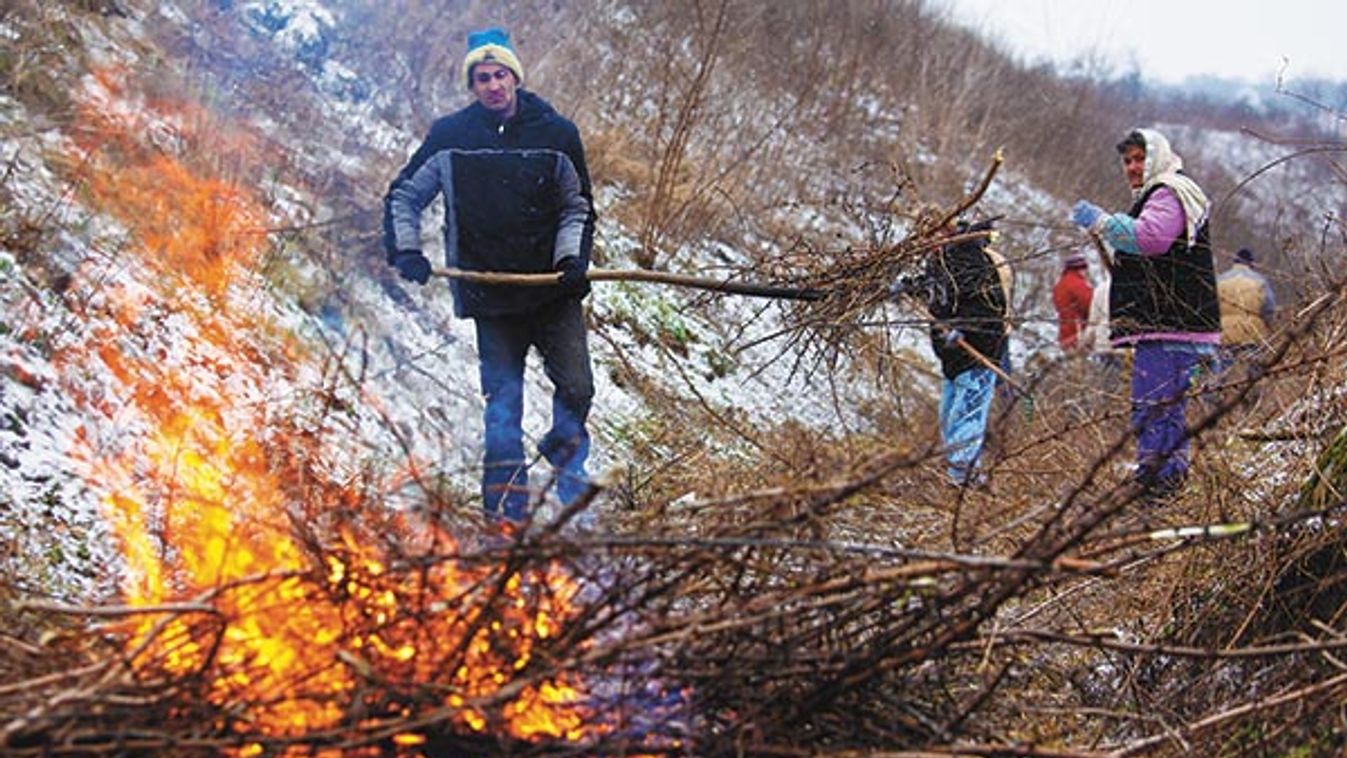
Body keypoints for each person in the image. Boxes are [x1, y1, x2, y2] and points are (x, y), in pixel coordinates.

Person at [383, 27, 597, 523]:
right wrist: (408, 250)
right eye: (482, 78)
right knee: (503, 405)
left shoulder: (556, 133)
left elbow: (577, 206)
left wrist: (570, 263)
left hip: (551, 292)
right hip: (491, 295)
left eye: (500, 74)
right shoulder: (451, 137)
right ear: (472, 84)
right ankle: (506, 510)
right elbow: (405, 195)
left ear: (515, 76)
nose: (493, 85)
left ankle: (568, 468)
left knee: (578, 388)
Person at [1070, 128, 1221, 499]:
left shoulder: (1168, 191)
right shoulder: (1165, 193)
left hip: (1171, 326)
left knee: (1152, 408)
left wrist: (1104, 222)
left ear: (1157, 157)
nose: (1133, 167)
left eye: (1139, 158)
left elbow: (1150, 238)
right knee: (1163, 410)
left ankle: (1158, 484)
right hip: (1172, 326)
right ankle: (1163, 479)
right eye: (1127, 161)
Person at [894, 215, 1009, 488]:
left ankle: (965, 480)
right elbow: (935, 290)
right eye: (922, 235)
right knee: (949, 418)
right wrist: (908, 287)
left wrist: (964, 327)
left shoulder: (966, 258)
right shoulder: (939, 261)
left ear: (946, 233)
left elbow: (987, 305)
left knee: (966, 417)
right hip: (952, 357)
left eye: (931, 234)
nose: (925, 241)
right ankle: (959, 473)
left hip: (978, 353)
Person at [1216, 247, 1276, 383]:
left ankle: (1214, 399)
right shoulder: (1260, 281)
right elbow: (1269, 308)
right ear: (1251, 263)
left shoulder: (1220, 280)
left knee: (1221, 370)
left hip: (1225, 332)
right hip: (1252, 332)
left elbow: (1211, 306)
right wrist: (1269, 326)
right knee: (1254, 371)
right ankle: (1251, 398)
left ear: (1234, 262)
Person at [1051, 250, 1093, 351]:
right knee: (1082, 364)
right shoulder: (1078, 284)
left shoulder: (1060, 284)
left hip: (1065, 333)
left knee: (1071, 363)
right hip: (1077, 333)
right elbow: (1089, 305)